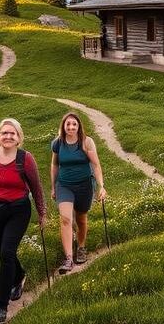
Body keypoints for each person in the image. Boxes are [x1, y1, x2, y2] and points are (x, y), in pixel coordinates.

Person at [0, 118, 47, 324]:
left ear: (19, 138)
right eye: (4, 133)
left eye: (12, 133)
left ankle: (1, 308)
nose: (8, 136)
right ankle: (19, 276)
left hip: (18, 211)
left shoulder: (25, 159)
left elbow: (37, 188)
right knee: (5, 253)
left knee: (6, 253)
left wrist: (42, 213)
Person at [50, 112, 107, 274]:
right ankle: (68, 258)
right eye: (68, 124)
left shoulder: (86, 142)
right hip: (64, 186)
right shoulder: (57, 143)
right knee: (66, 219)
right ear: (63, 126)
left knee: (81, 219)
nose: (71, 127)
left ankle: (81, 247)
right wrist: (53, 187)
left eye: (74, 124)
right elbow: (54, 165)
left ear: (79, 126)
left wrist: (101, 186)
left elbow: (96, 165)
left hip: (84, 185)